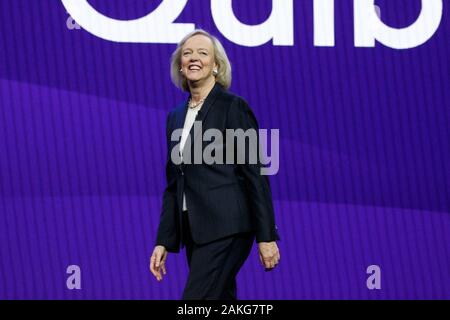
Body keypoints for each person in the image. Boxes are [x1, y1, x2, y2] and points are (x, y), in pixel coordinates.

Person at [149, 29, 280, 300]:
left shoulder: (233, 107)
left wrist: (266, 236)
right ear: (180, 67)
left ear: (216, 66)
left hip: (228, 227)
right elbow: (174, 185)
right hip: (194, 232)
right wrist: (164, 240)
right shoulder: (175, 117)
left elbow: (254, 174)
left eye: (202, 53)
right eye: (187, 53)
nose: (194, 58)